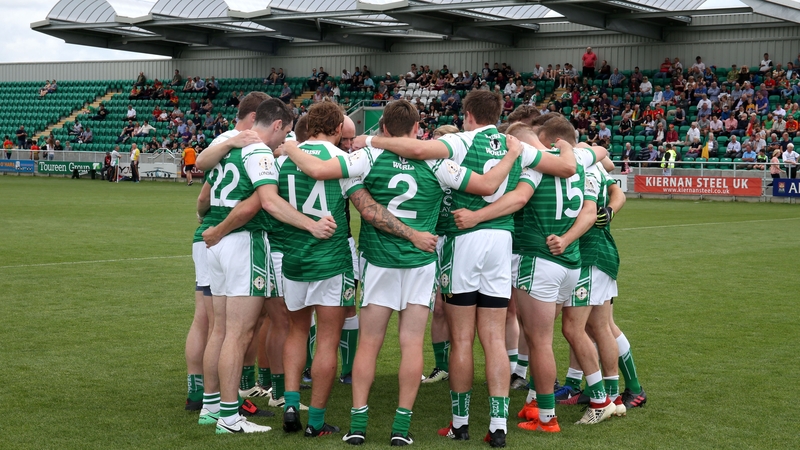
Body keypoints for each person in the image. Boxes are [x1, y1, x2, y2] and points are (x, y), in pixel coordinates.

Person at [281, 100, 522, 446]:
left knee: (368, 345)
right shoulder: (437, 160)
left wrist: (290, 145)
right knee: (411, 345)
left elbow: (320, 170)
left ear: (382, 128)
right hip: (420, 263)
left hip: (378, 262)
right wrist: (512, 155)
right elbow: (485, 186)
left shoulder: (366, 157)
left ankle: (358, 426)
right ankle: (400, 429)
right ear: (415, 130)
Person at [352, 90, 582, 444]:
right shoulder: (515, 145)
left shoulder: (461, 141)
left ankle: (460, 423)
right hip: (501, 243)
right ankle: (498, 425)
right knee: (493, 337)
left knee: (462, 338)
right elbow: (567, 166)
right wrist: (567, 145)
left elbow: (415, 149)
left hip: (465, 239)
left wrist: (369, 138)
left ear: (468, 114)